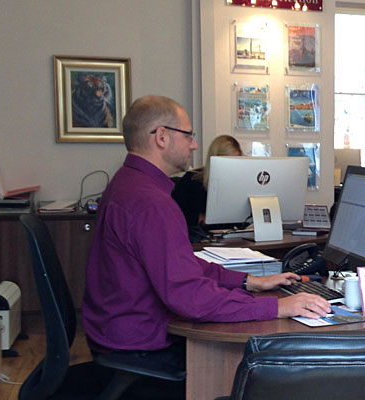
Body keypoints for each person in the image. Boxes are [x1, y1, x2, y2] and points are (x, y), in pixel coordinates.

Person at [82, 95, 329, 398]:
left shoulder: (126, 184)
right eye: (188, 135)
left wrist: (248, 281)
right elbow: (190, 297)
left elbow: (179, 262)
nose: (194, 145)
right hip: (141, 350)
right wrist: (278, 307)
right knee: (268, 371)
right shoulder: (151, 203)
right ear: (162, 137)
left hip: (115, 336)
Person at [171, 134, 241, 228]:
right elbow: (174, 214)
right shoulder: (191, 181)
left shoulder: (239, 184)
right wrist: (199, 218)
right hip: (200, 234)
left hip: (233, 234)